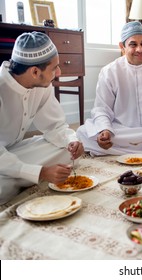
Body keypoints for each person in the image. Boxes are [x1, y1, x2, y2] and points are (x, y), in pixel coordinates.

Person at [0, 32, 84, 205]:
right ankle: (16, 179)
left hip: (14, 151)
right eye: (54, 68)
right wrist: (40, 173)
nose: (59, 72)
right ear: (35, 71)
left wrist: (71, 141)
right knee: (2, 186)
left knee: (66, 152)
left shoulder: (41, 84)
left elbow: (55, 126)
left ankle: (17, 179)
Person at [76, 22, 142, 156]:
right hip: (121, 130)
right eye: (133, 44)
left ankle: (117, 150)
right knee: (83, 132)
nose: (140, 49)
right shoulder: (109, 72)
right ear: (122, 47)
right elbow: (102, 108)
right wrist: (105, 130)